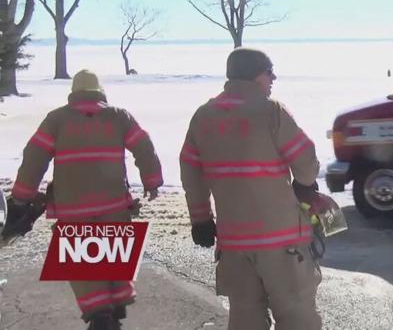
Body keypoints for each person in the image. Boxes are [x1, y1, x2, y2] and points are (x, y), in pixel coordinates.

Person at [7, 70, 163, 329]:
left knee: (83, 260)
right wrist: (152, 181)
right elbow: (143, 146)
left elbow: (34, 157)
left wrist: (23, 195)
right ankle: (116, 303)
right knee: (112, 248)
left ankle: (99, 314)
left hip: (73, 205)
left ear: (73, 93)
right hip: (113, 201)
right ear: (100, 92)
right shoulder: (118, 117)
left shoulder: (56, 119)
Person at [180, 48, 323, 330]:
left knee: (245, 316)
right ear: (256, 75)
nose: (273, 78)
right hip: (281, 242)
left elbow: (190, 172)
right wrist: (305, 185)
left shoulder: (203, 116)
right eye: (270, 72)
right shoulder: (271, 112)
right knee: (296, 314)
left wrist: (201, 219)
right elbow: (306, 161)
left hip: (234, 243)